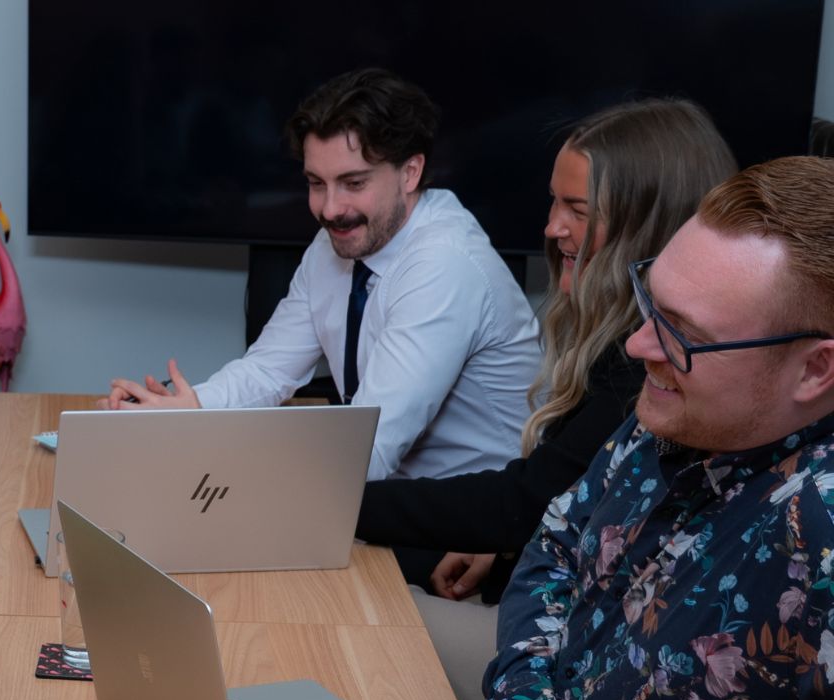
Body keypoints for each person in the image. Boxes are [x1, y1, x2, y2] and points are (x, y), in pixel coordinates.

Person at [485, 156, 834, 700]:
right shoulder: (677, 412)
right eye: (651, 302)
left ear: (815, 371)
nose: (639, 345)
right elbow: (554, 545)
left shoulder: (821, 521)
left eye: (681, 333)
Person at [352, 99, 735, 700]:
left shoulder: (647, 365)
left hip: (590, 666)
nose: (552, 226)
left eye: (578, 211)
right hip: (556, 609)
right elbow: (561, 509)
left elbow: (524, 502)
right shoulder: (620, 340)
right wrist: (511, 545)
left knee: (359, 621)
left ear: (648, 223)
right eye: (554, 203)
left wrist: (333, 497)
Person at [104, 67, 541, 482]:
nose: (329, 209)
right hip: (389, 492)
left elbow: (366, 450)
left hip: (468, 525)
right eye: (316, 183)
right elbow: (270, 371)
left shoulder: (444, 263)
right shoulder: (338, 242)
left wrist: (212, 441)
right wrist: (190, 407)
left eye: (353, 183)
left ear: (411, 172)